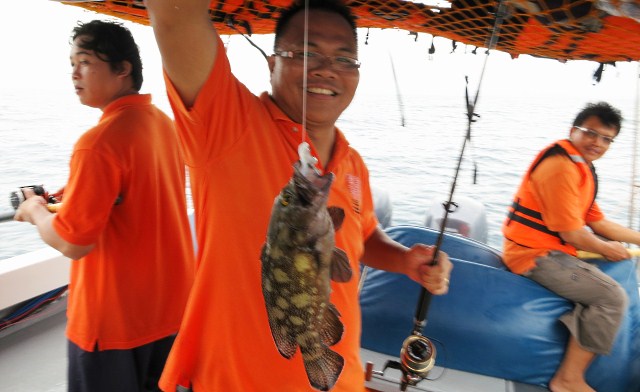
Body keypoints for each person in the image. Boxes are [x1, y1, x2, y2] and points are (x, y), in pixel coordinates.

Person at [142, 0, 453, 391]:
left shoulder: (351, 161)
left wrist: (406, 260)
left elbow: (363, 237)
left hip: (342, 378)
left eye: (345, 58)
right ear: (272, 64)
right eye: (305, 53)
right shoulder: (225, 126)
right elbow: (175, 14)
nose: (325, 69)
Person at [14, 20, 195, 392]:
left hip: (112, 324)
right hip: (168, 312)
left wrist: (34, 210)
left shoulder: (98, 142)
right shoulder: (163, 125)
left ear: (123, 69)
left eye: (84, 62)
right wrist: (72, 192)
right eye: (71, 64)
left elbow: (75, 243)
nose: (74, 74)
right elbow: (136, 195)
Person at [502, 101, 633, 392]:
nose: (597, 143)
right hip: (533, 255)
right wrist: (606, 248)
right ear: (574, 131)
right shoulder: (561, 167)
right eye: (591, 133)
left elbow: (598, 224)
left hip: (552, 250)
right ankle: (568, 380)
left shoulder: (580, 167)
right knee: (611, 298)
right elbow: (573, 233)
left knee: (617, 265)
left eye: (606, 139)